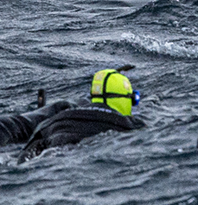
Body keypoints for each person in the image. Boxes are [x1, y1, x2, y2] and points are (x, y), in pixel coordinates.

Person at [15, 68, 144, 162]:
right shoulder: (129, 126)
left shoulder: (58, 118)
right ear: (129, 99)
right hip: (74, 156)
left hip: (45, 149)